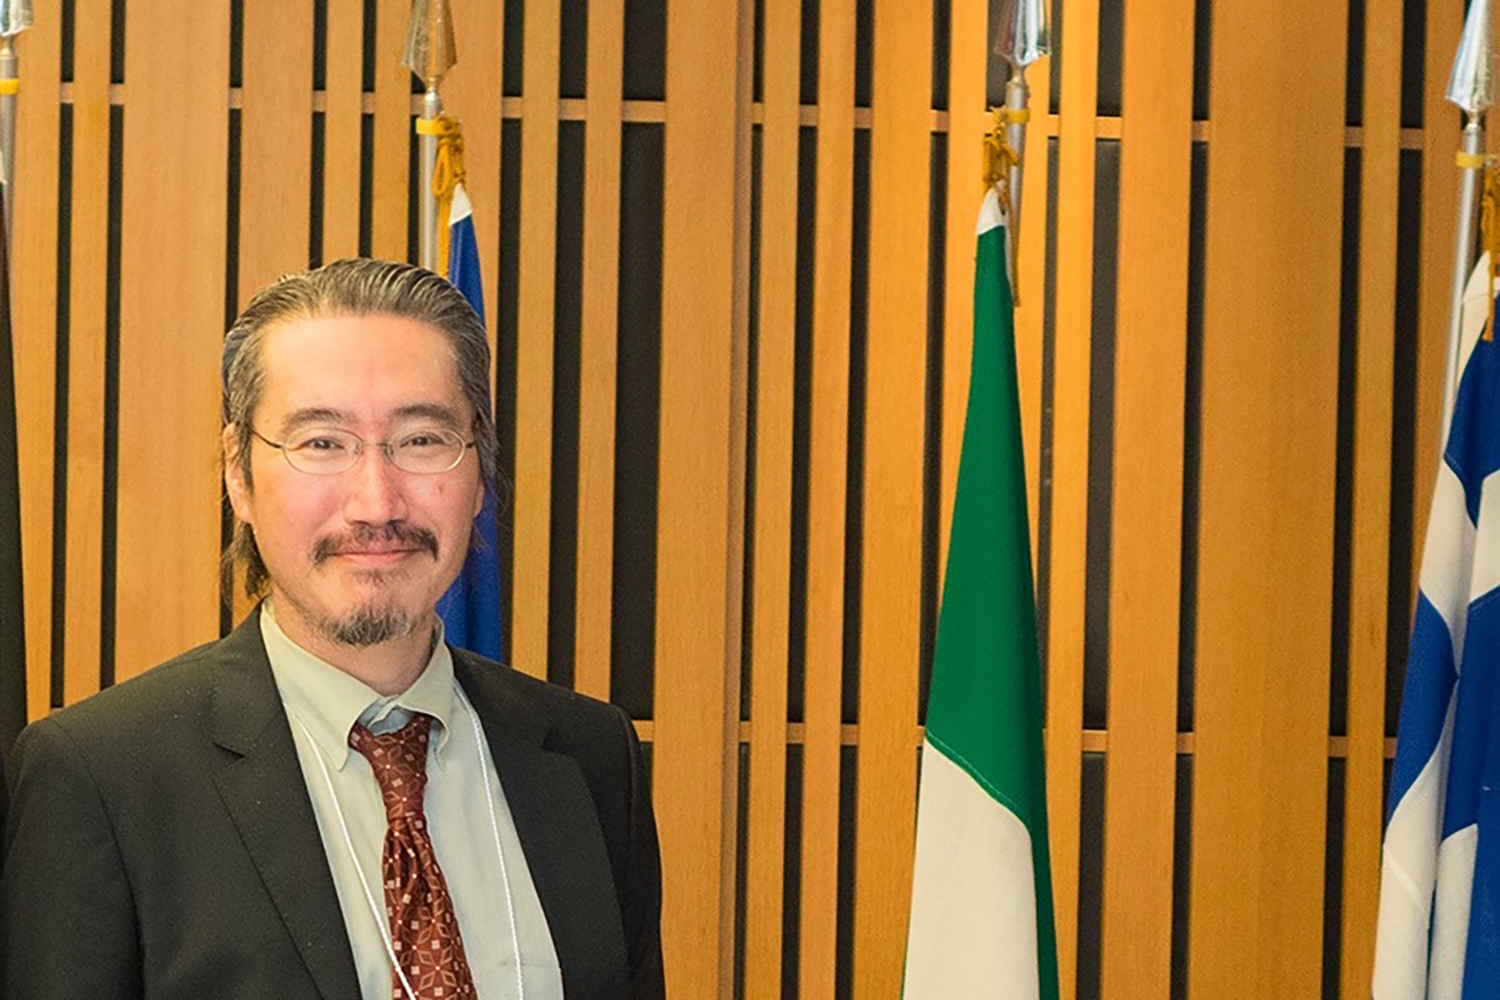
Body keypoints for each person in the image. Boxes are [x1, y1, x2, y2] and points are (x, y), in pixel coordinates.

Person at [0, 259, 664, 999]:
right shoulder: (101, 777)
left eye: (420, 440)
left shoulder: (589, 760)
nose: (375, 503)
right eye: (322, 443)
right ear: (237, 473)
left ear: (479, 469)